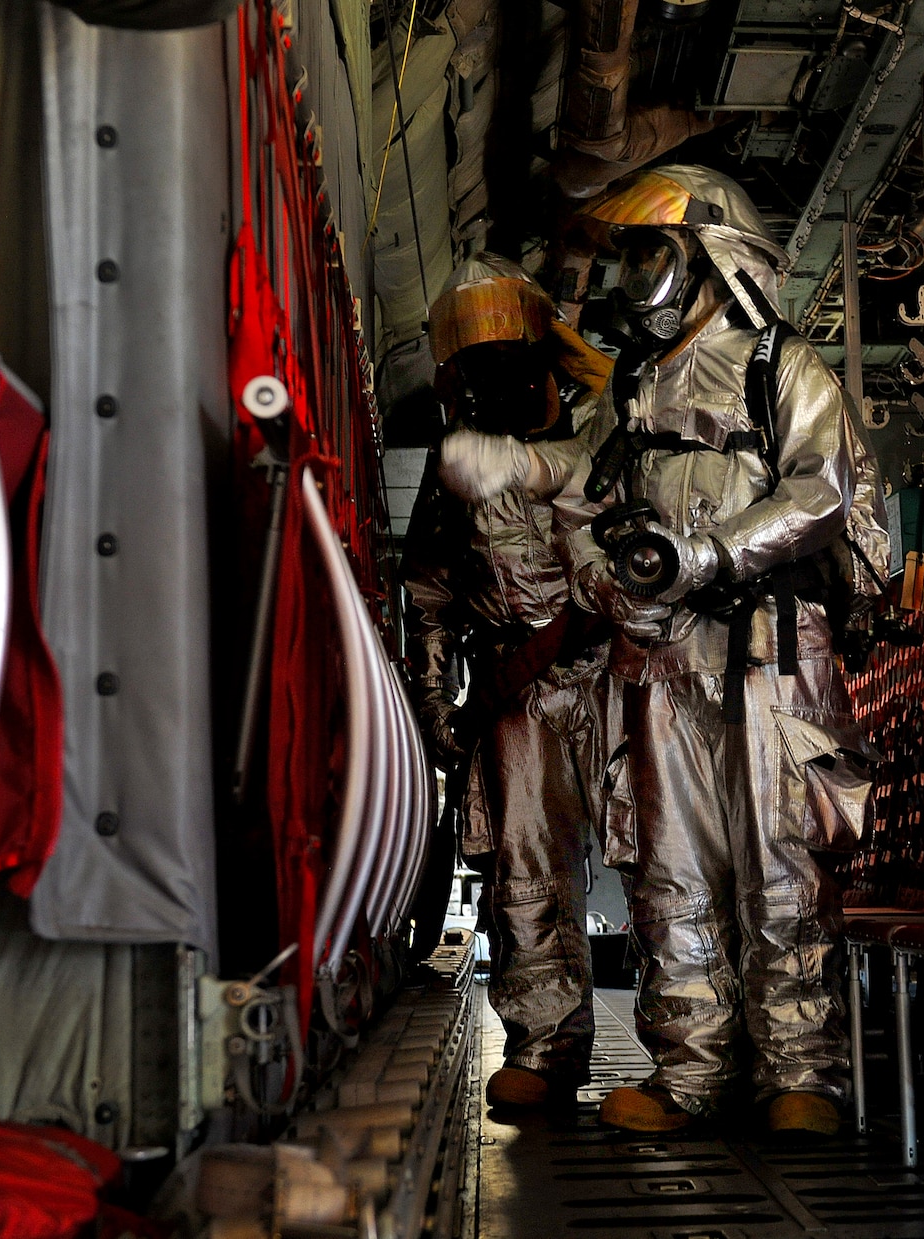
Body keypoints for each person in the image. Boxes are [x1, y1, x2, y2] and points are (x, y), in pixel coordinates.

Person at [566, 165, 888, 1138]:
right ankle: (689, 1072)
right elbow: (588, 501)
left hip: (773, 648)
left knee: (780, 858)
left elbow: (821, 489)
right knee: (669, 866)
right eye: (626, 257)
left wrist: (704, 553)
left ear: (711, 257)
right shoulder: (629, 384)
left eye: (647, 253)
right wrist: (615, 580)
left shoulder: (779, 365)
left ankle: (800, 1072)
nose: (631, 278)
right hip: (663, 657)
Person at [402, 253, 616, 1109]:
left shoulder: (603, 439)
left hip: (622, 670)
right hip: (516, 695)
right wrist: (435, 705)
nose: (493, 377)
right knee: (527, 872)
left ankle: (702, 1052)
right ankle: (544, 1045)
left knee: (670, 860)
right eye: (474, 362)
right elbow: (429, 595)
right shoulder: (454, 476)